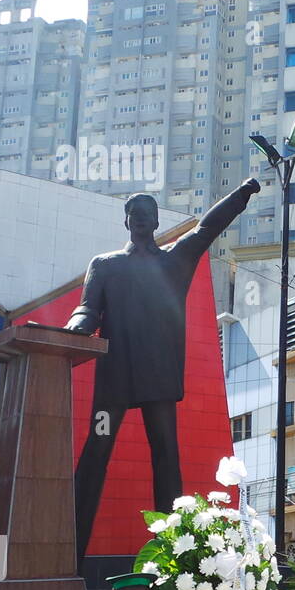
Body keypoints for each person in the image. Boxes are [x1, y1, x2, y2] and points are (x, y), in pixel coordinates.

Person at [67, 179, 259, 560]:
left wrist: (242, 194)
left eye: (147, 214)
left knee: (166, 457)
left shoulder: (175, 260)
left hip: (157, 380)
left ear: (155, 222)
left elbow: (207, 227)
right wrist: (76, 328)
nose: (140, 219)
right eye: (134, 214)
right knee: (95, 452)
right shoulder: (105, 265)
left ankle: (174, 558)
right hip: (114, 380)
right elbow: (88, 308)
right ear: (126, 221)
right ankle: (66, 555)